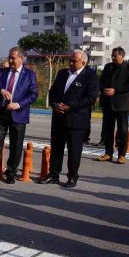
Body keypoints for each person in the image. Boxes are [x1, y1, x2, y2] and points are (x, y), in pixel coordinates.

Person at [0, 47, 38, 184]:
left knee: (16, 145)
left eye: (13, 58)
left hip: (18, 114)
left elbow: (33, 94)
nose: (10, 60)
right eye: (9, 57)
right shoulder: (1, 72)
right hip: (0, 113)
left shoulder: (29, 75)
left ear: (21, 59)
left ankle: (11, 172)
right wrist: (0, 90)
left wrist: (19, 104)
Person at [40, 50, 99, 188]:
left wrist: (70, 107)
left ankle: (72, 176)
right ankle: (53, 174)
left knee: (74, 151)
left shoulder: (90, 76)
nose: (70, 63)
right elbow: (53, 92)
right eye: (70, 60)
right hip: (59, 117)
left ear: (83, 62)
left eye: (74, 61)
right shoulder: (62, 73)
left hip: (76, 120)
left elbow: (90, 98)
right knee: (56, 149)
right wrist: (55, 104)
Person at [96, 47, 129, 164]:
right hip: (108, 103)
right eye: (112, 55)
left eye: (115, 56)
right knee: (108, 130)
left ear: (122, 56)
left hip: (122, 104)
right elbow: (101, 82)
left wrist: (116, 90)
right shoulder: (108, 67)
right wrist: (103, 89)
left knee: (122, 131)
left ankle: (121, 155)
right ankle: (108, 153)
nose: (113, 57)